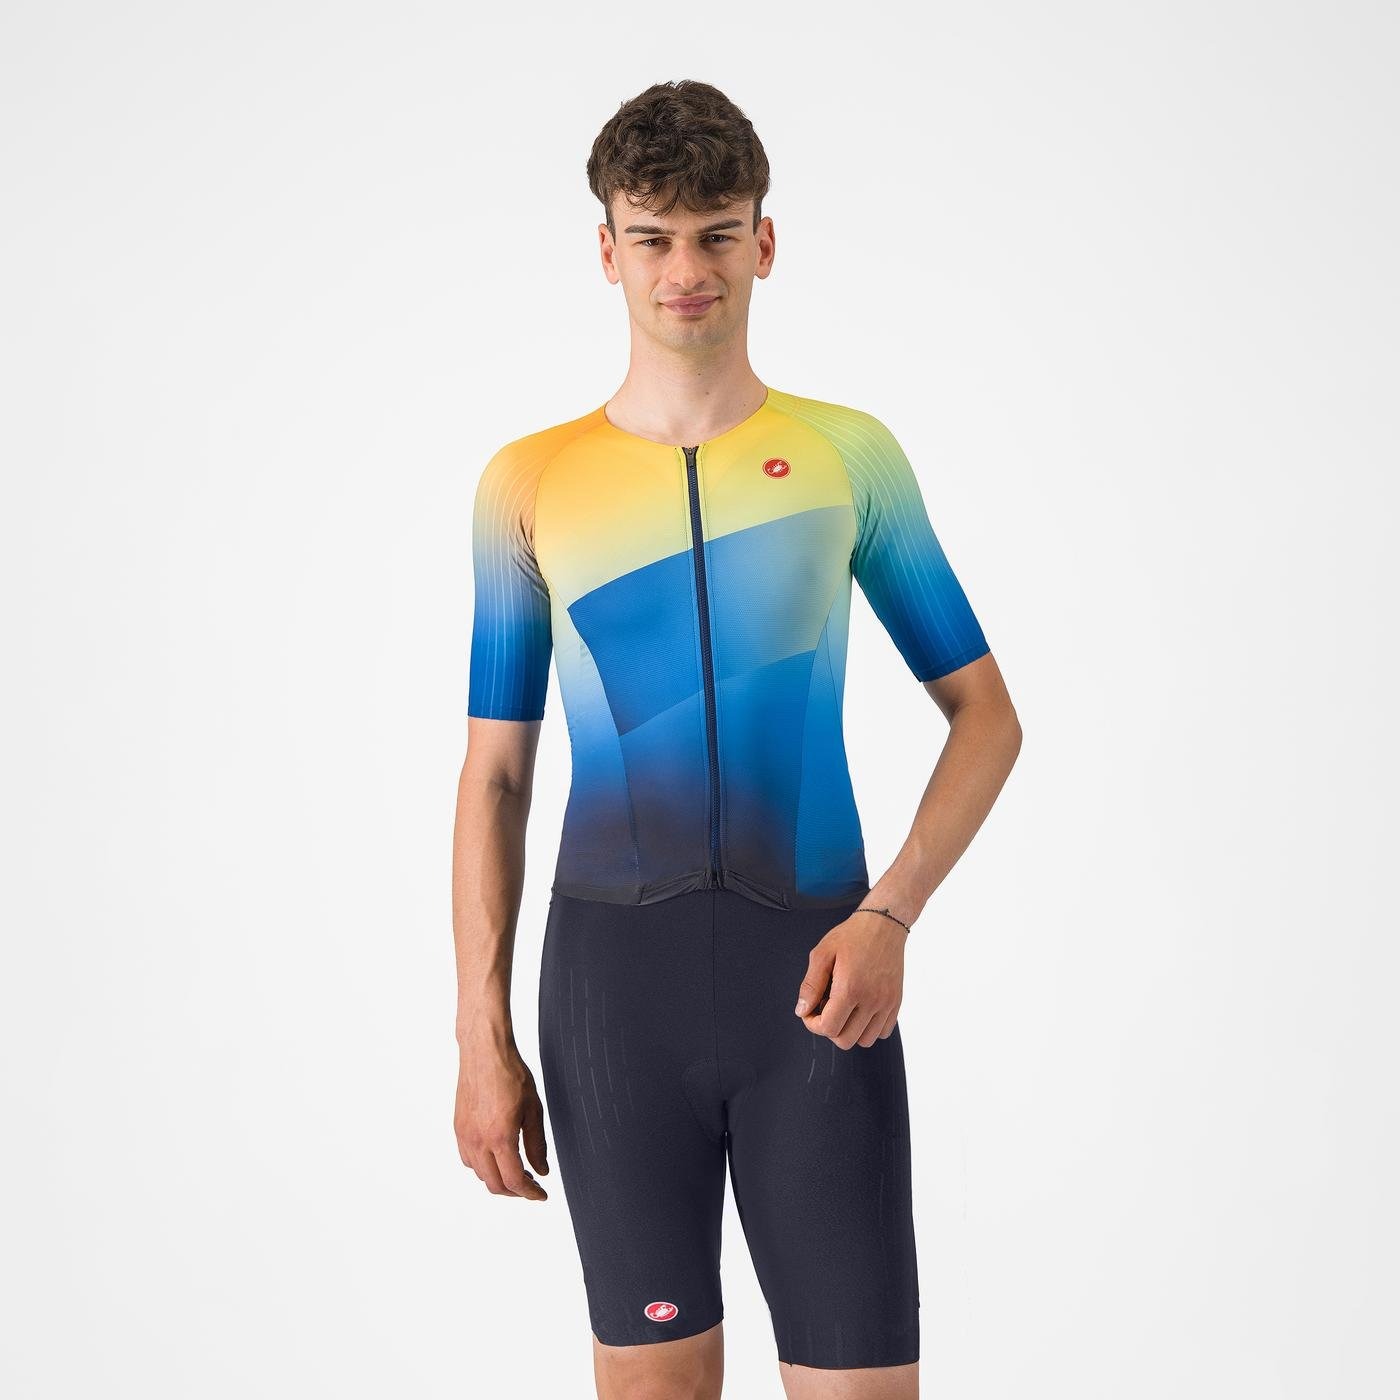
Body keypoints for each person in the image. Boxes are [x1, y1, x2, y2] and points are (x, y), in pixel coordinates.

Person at [451, 79, 1022, 1400]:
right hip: (613, 990)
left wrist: (890, 915)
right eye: (653, 237)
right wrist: (481, 1035)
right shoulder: (528, 483)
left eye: (717, 233)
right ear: (607, 251)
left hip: (819, 977)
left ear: (764, 241)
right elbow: (495, 775)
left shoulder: (848, 456)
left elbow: (986, 714)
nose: (686, 270)